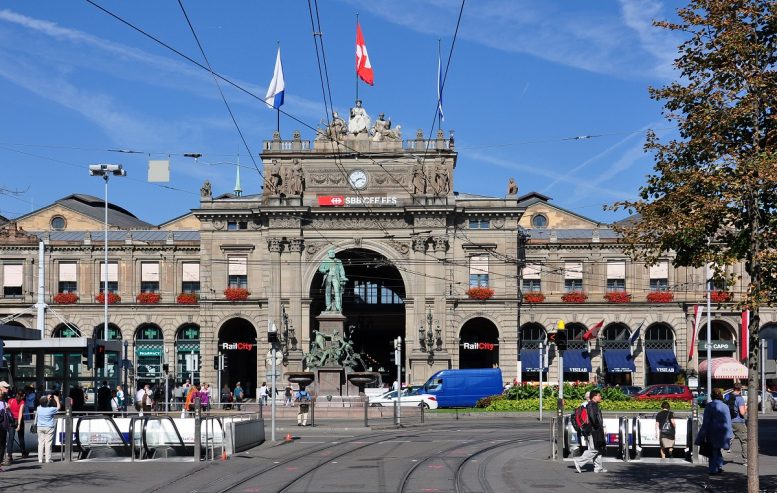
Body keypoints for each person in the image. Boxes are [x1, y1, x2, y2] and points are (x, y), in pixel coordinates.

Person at [695, 388, 733, 475]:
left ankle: (713, 469)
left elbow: (706, 422)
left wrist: (701, 435)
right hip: (723, 432)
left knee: (712, 451)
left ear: (711, 396)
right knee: (717, 449)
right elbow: (728, 420)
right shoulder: (725, 406)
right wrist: (730, 434)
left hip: (712, 432)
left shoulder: (709, 406)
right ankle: (719, 465)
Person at [573, 389, 606, 473]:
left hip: (594, 430)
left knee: (598, 448)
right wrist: (598, 426)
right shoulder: (592, 405)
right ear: (594, 396)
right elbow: (593, 418)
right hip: (593, 431)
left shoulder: (593, 405)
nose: (600, 397)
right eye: (599, 395)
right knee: (594, 449)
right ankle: (579, 462)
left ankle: (598, 467)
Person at [35, 393, 60, 464]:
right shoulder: (51, 409)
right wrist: (57, 400)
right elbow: (58, 407)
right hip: (49, 427)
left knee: (40, 443)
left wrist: (46, 398)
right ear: (47, 402)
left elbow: (41, 404)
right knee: (48, 443)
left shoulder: (38, 408)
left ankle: (40, 459)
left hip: (40, 427)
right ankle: (47, 459)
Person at [727, 382, 748, 466]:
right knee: (744, 441)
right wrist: (746, 407)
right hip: (738, 421)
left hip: (729, 421)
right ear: (740, 389)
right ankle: (745, 460)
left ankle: (719, 459)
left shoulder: (728, 396)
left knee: (728, 439)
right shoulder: (740, 399)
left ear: (733, 388)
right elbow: (742, 412)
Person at [5, 388, 28, 464]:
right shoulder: (22, 402)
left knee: (10, 438)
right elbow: (20, 414)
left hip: (11, 420)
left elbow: (7, 408)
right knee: (21, 437)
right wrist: (18, 424)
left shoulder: (10, 400)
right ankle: (23, 452)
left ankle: (9, 455)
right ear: (23, 395)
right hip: (18, 420)